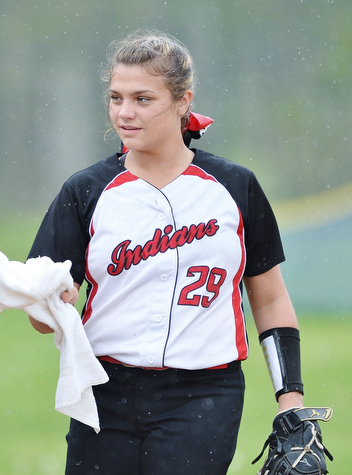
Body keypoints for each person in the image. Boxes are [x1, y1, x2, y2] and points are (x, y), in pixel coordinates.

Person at [27, 30, 305, 475]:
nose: (124, 112)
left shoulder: (234, 187)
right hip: (103, 389)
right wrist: (47, 304)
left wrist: (290, 401)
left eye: (142, 98)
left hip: (204, 393)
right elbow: (42, 320)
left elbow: (269, 299)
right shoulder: (86, 190)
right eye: (116, 98)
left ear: (182, 101)